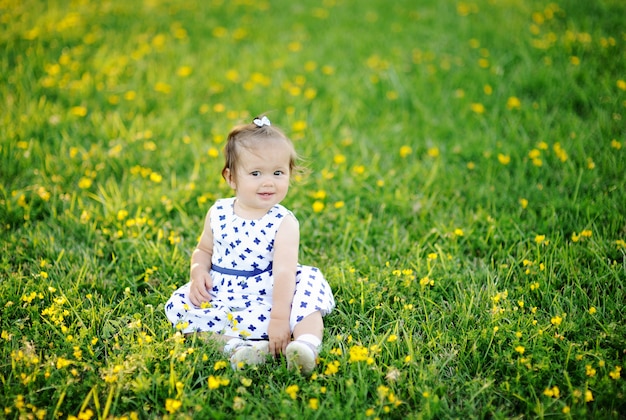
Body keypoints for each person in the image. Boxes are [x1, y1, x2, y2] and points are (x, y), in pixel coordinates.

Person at [165, 115, 335, 375]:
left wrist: (279, 319)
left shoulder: (283, 222)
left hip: (274, 294)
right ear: (231, 178)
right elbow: (204, 250)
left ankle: (305, 345)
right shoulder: (218, 212)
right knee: (181, 311)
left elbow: (284, 273)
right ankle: (239, 349)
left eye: (278, 173)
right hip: (225, 293)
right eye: (256, 173)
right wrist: (198, 272)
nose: (268, 182)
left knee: (309, 293)